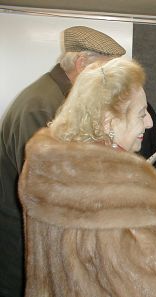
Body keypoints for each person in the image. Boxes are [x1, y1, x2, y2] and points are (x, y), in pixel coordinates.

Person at [18, 57, 156, 297]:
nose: (148, 122)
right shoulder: (124, 188)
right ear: (108, 122)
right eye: (142, 113)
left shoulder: (46, 166)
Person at [0, 25, 126, 297]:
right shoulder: (43, 104)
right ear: (81, 63)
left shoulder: (59, 98)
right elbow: (44, 187)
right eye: (104, 70)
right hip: (24, 239)